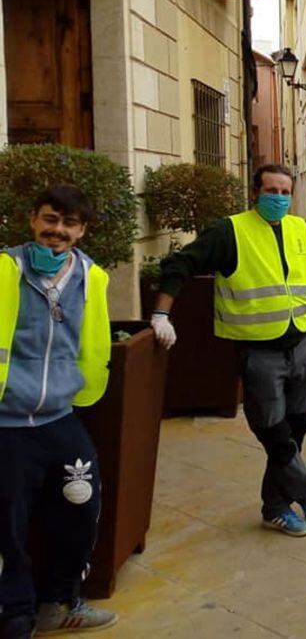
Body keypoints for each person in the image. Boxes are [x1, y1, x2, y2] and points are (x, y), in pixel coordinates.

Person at [153, 164, 306, 538]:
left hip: (301, 343)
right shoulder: (230, 231)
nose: (280, 198)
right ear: (256, 193)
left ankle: (275, 507)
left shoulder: (302, 227)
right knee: (273, 430)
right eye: (272, 191)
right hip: (259, 351)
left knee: (295, 429)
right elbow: (179, 263)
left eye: (286, 192)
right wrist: (160, 313)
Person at [0, 186, 117, 638]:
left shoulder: (92, 277)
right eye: (50, 220)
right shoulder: (7, 269)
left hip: (61, 417)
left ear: (82, 230)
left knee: (81, 508)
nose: (58, 231)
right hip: (7, 420)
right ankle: (15, 615)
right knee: (7, 524)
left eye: (69, 224)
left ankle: (60, 601)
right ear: (33, 220)